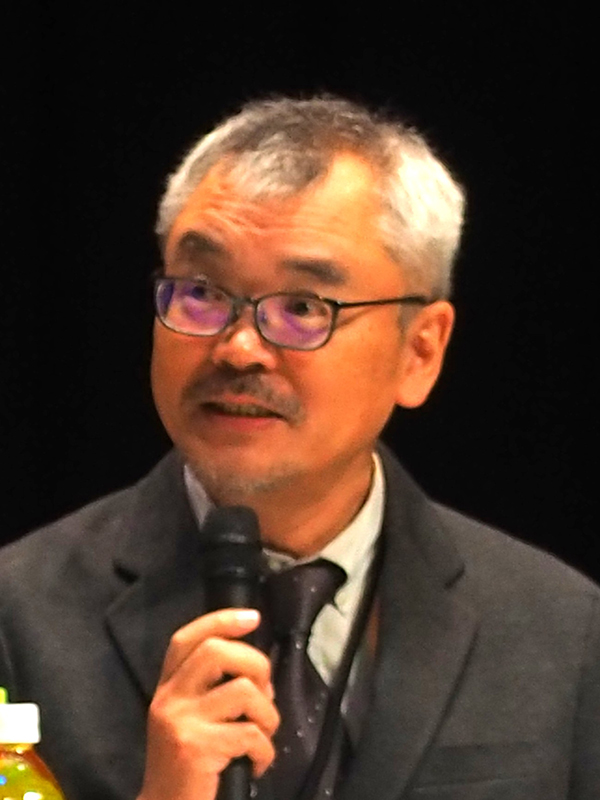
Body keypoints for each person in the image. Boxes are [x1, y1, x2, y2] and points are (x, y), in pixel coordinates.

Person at [0, 96, 597, 800]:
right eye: (201, 292)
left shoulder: (564, 630)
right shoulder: (17, 619)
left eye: (304, 308)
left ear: (420, 351)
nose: (239, 347)